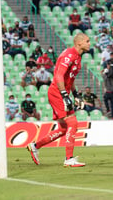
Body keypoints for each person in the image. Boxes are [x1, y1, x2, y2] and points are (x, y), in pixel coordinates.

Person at [27, 33, 90, 167]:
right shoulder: (69, 55)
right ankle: (69, 159)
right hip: (57, 93)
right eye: (87, 41)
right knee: (73, 123)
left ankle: (35, 146)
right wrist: (64, 95)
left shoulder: (78, 57)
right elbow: (59, 76)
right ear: (79, 43)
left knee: (64, 129)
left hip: (62, 92)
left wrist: (75, 94)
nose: (89, 43)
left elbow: (69, 78)